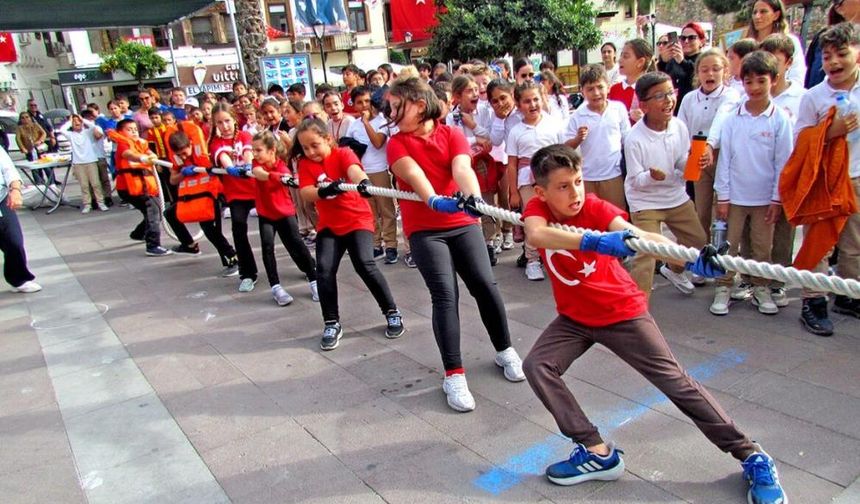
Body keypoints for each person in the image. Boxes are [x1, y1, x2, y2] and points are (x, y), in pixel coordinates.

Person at [520, 143, 787, 504]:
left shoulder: (596, 208)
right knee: (538, 365)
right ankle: (597, 452)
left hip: (622, 313)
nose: (575, 193)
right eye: (563, 186)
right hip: (575, 318)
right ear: (542, 191)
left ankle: (752, 455)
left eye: (579, 182)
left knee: (677, 384)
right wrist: (595, 241)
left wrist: (690, 259)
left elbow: (641, 236)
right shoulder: (536, 207)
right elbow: (536, 235)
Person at [386, 77, 525, 412]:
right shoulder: (397, 143)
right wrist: (433, 200)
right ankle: (454, 373)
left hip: (462, 223)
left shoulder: (451, 134)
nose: (389, 114)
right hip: (425, 229)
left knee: (485, 284)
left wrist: (473, 199)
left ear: (419, 105)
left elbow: (462, 167)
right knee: (446, 294)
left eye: (395, 106)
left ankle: (505, 349)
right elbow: (414, 175)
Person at [293, 119, 404, 349]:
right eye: (305, 148)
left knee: (365, 264)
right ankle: (331, 322)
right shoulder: (305, 164)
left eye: (315, 145)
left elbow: (354, 170)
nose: (310, 152)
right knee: (323, 270)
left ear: (328, 139)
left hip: (357, 220)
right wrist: (324, 190)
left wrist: (363, 182)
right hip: (330, 226)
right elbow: (306, 193)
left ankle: (392, 312)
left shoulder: (342, 153)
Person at [711, 51, 794, 316]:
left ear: (774, 79)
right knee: (728, 245)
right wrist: (722, 197)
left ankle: (760, 287)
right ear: (741, 82)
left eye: (761, 80)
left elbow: (783, 163)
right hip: (734, 197)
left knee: (761, 247)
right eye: (749, 82)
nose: (755, 88)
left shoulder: (780, 118)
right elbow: (724, 159)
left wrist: (776, 199)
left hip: (764, 200)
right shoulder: (733, 118)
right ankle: (724, 286)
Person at [792, 22, 860, 334]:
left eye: (840, 54)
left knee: (853, 244)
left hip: (857, 177)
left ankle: (848, 295)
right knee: (818, 245)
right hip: (822, 181)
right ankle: (813, 300)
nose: (832, 63)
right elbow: (801, 140)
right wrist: (832, 131)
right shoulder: (813, 97)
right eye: (827, 56)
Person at [623, 72, 708, 299]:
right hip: (645, 202)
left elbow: (679, 161)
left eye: (671, 93)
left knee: (698, 242)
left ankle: (673, 268)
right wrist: (652, 177)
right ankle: (636, 312)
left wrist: (692, 162)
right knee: (646, 256)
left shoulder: (679, 126)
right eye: (660, 96)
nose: (669, 100)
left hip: (675, 197)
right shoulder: (634, 138)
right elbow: (635, 180)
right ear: (644, 105)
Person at [248, 130, 318, 306]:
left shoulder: (282, 167)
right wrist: (276, 178)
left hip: (284, 212)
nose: (254, 154)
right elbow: (259, 173)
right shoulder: (257, 164)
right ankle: (276, 287)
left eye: (258, 150)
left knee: (296, 245)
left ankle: (314, 280)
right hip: (266, 213)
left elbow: (283, 175)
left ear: (271, 151)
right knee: (267, 247)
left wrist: (282, 177)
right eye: (253, 150)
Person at [677, 48, 741, 237]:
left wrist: (710, 145)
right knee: (701, 209)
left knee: (723, 208)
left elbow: (722, 119)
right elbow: (681, 127)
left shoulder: (731, 96)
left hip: (723, 154)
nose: (710, 73)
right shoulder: (689, 98)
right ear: (698, 73)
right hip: (697, 154)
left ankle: (724, 250)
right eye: (704, 69)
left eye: (716, 68)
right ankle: (701, 251)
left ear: (725, 71)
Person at [506, 81, 565, 281]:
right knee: (533, 218)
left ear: (543, 99)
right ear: (519, 104)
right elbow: (512, 164)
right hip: (527, 182)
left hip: (553, 178)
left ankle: (558, 258)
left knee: (556, 218)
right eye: (526, 101)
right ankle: (532, 260)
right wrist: (513, 191)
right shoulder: (516, 131)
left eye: (535, 100)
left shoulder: (554, 124)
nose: (532, 105)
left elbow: (562, 152)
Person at [163, 127, 239, 277]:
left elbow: (217, 166)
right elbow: (173, 179)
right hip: (192, 196)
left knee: (210, 230)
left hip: (212, 195)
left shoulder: (204, 153)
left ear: (191, 144)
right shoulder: (178, 160)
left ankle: (233, 260)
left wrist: (203, 168)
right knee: (170, 213)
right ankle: (189, 245)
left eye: (185, 153)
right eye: (180, 155)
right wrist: (183, 172)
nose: (183, 157)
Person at [344, 86, 399, 264]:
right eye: (359, 102)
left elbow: (377, 143)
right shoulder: (353, 125)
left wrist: (366, 122)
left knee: (387, 210)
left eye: (367, 101)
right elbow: (346, 148)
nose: (364, 105)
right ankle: (376, 244)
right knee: (370, 212)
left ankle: (391, 245)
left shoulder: (382, 121)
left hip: (380, 170)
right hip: (362, 173)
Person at [564, 64, 630, 211]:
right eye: (590, 89)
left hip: (614, 174)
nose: (596, 93)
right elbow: (566, 147)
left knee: (617, 214)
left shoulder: (618, 109)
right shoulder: (578, 115)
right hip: (588, 176)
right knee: (592, 217)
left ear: (608, 87)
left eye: (600, 87)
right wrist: (578, 139)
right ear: (582, 91)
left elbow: (628, 139)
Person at [210, 103, 260, 292]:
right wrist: (230, 167)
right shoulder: (216, 142)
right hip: (236, 194)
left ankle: (308, 267)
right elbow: (223, 157)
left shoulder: (245, 135)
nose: (225, 126)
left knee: (285, 228)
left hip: (257, 189)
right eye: (219, 123)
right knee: (238, 230)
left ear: (234, 120)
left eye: (227, 121)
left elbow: (248, 152)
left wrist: (247, 165)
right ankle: (247, 273)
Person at [109, 119, 171, 256]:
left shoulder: (141, 144)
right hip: (130, 187)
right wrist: (142, 158)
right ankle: (153, 246)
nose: (133, 131)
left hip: (142, 186)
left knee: (151, 211)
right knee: (154, 212)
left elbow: (150, 152)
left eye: (135, 129)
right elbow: (128, 155)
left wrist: (151, 156)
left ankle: (138, 233)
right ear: (121, 132)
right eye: (129, 129)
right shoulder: (123, 144)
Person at [0, 146, 42, 293]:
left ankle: (18, 279)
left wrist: (15, 190)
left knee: (14, 242)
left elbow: (9, 170)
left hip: (1, 201)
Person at [746, 0, 807, 86]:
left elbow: (797, 75)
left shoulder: (790, 41)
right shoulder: (748, 44)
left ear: (776, 15)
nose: (757, 16)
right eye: (755, 12)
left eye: (763, 11)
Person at [805, 0, 858, 89]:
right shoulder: (826, 39)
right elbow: (815, 81)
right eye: (826, 58)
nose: (834, 61)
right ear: (839, 8)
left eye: (842, 54)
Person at [657, 22, 707, 113]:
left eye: (691, 38)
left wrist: (682, 61)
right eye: (683, 38)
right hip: (672, 108)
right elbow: (661, 79)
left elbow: (697, 76)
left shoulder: (705, 59)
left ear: (702, 41)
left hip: (693, 107)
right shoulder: (674, 60)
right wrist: (663, 62)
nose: (686, 41)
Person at [65, 114, 108, 213]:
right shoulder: (70, 135)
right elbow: (62, 130)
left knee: (96, 183)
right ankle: (87, 204)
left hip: (91, 161)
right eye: (74, 121)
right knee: (84, 185)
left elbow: (93, 126)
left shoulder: (87, 132)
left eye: (78, 121)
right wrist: (69, 121)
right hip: (78, 163)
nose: (76, 123)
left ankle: (101, 202)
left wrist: (82, 119)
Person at [608, 39, 654, 124]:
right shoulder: (614, 89)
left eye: (625, 56)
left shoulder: (651, 90)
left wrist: (644, 120)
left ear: (640, 62)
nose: (620, 60)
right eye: (621, 56)